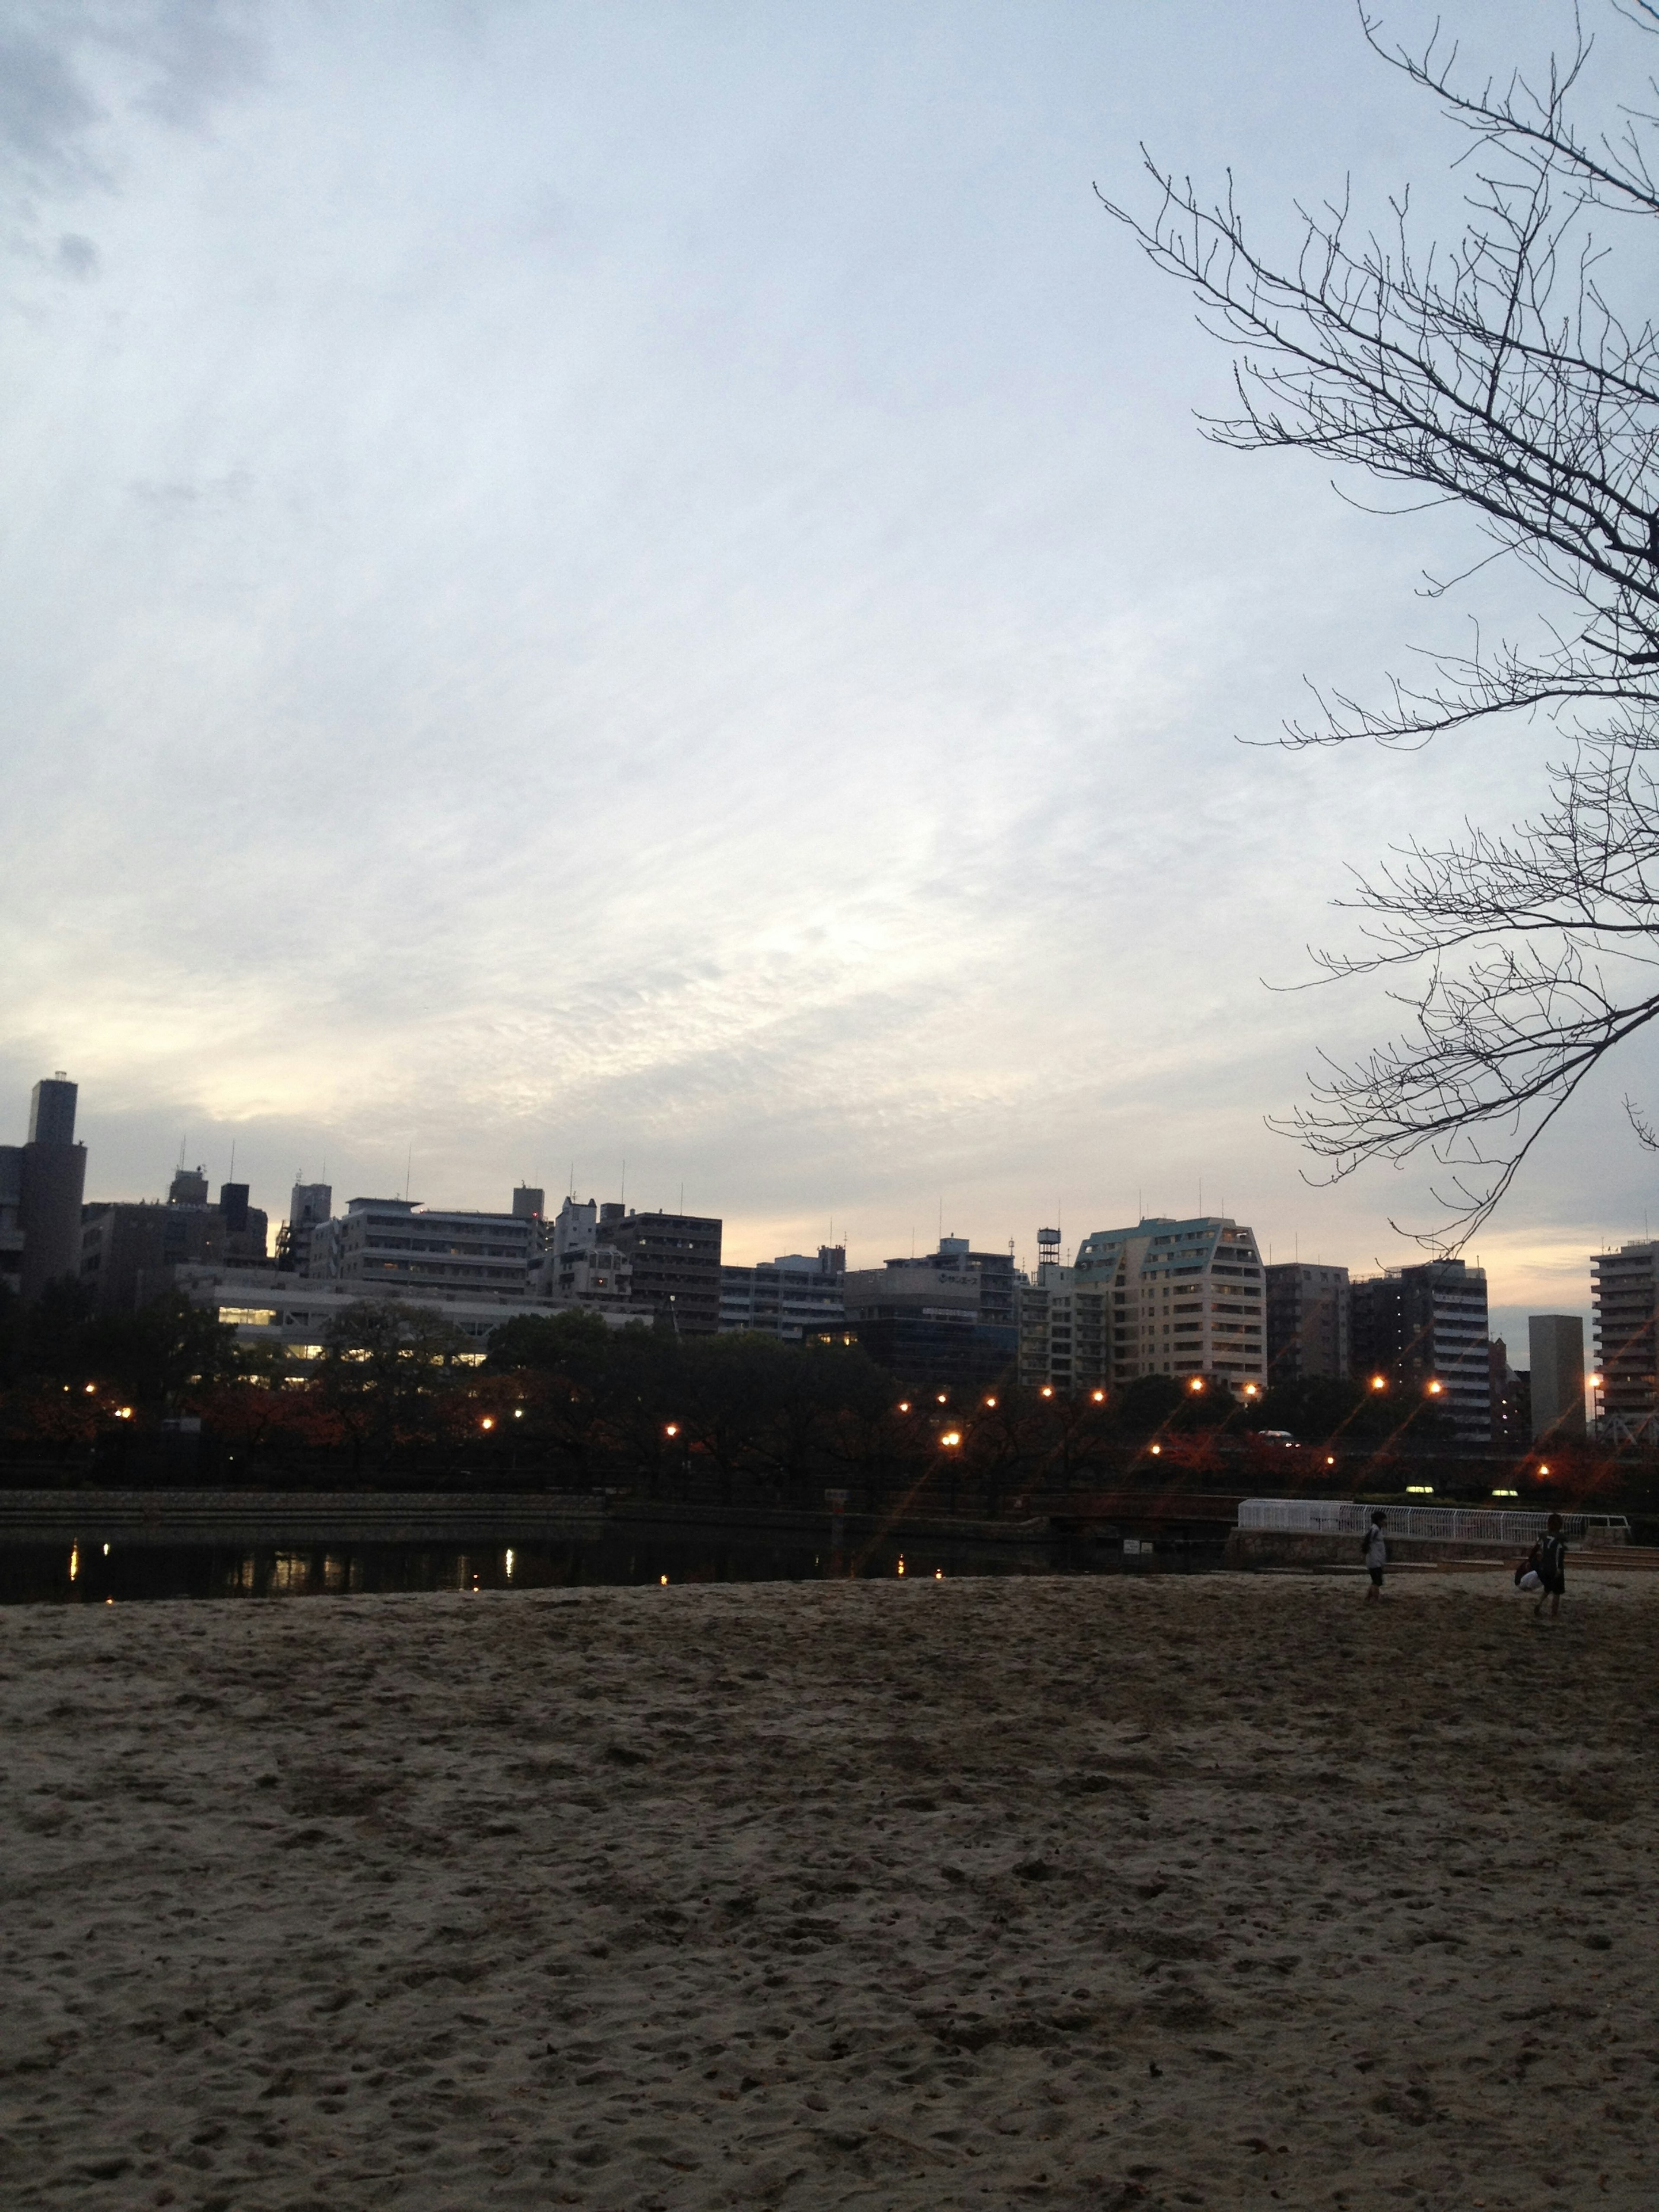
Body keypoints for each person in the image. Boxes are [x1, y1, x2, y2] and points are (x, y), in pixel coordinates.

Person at [1535, 1512, 1567, 1622]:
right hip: (1556, 1568)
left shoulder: (1543, 1536)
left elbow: (1538, 1549)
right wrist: (1559, 1568)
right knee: (1557, 1593)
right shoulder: (1560, 1538)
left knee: (1548, 1588)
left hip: (1546, 1567)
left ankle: (1539, 1604)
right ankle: (1554, 1614)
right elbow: (1560, 1554)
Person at [1363, 1509, 1387, 1601]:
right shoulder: (1375, 1530)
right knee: (1377, 1581)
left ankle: (1368, 1598)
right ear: (1379, 1520)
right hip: (1374, 1560)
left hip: (1377, 1559)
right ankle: (1375, 1599)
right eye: (1384, 1520)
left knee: (1375, 1581)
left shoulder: (1376, 1530)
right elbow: (1367, 1542)